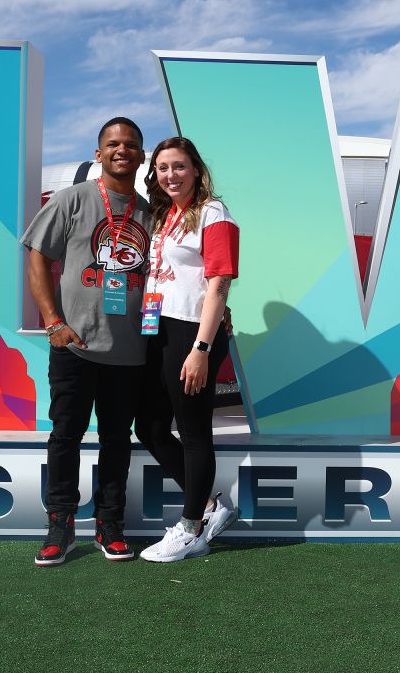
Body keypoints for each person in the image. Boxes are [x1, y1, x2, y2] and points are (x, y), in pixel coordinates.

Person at [21, 117, 153, 566]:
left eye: (131, 144)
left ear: (140, 154)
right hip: (75, 346)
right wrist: (53, 322)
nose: (122, 150)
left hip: (131, 351)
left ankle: (109, 525)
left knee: (118, 439)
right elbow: (38, 259)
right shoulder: (72, 199)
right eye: (113, 144)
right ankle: (60, 524)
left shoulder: (152, 211)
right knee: (66, 436)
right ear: (99, 154)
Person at [135, 136, 240, 562]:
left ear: (196, 169)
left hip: (191, 333)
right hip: (157, 328)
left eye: (179, 166)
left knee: (194, 431)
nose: (170, 175)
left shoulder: (213, 212)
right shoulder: (165, 215)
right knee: (151, 428)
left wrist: (201, 347)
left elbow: (219, 284)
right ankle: (212, 505)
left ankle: (191, 526)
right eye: (162, 168)